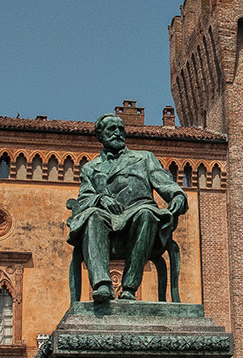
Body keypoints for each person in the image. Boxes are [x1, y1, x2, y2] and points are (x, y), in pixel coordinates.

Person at [66, 114, 187, 302]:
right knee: (92, 217)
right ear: (100, 135)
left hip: (140, 214)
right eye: (111, 129)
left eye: (120, 129)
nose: (117, 133)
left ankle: (130, 287)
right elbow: (83, 199)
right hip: (107, 219)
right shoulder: (90, 168)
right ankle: (102, 285)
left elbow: (165, 183)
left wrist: (178, 195)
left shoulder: (144, 158)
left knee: (147, 214)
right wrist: (100, 198)